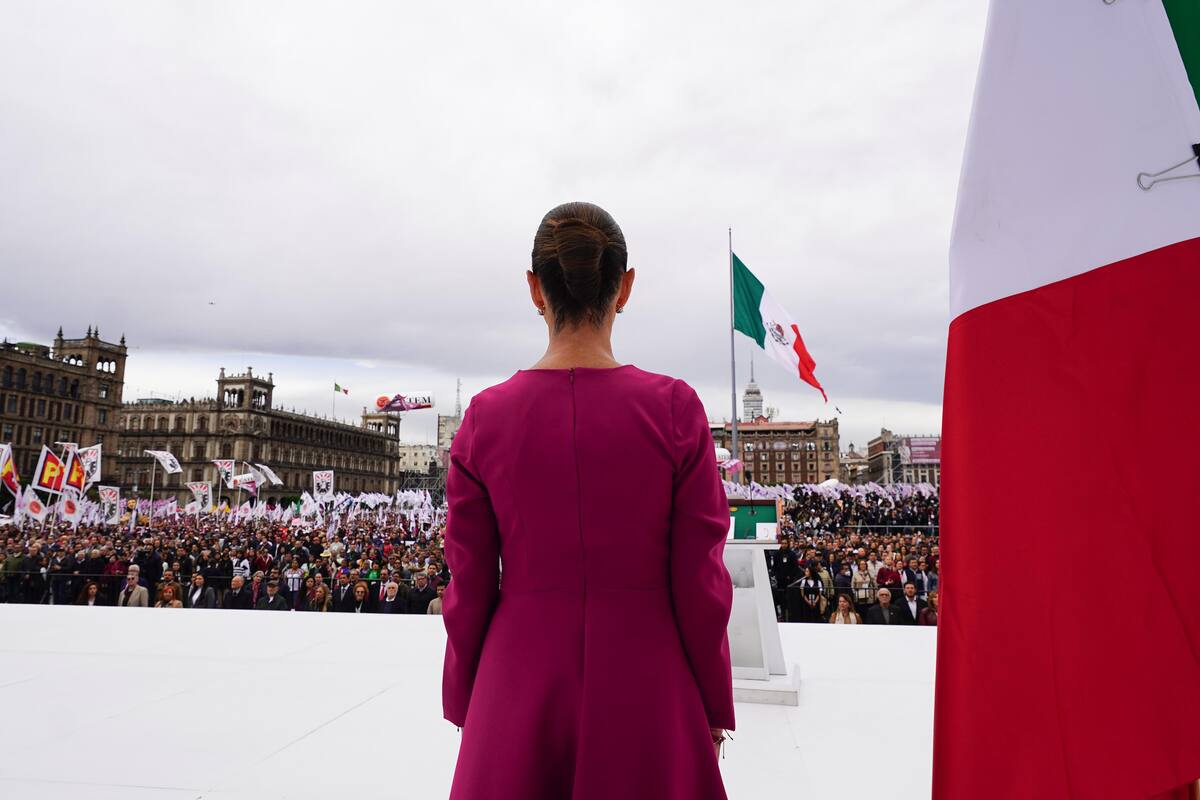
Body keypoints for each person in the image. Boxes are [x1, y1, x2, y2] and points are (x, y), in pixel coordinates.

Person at [442, 202, 734, 799]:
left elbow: (468, 586)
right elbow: (701, 584)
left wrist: (468, 697)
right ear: (624, 287)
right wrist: (712, 701)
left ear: (535, 289)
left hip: (516, 680)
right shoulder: (676, 410)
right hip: (650, 683)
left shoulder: (485, 419)